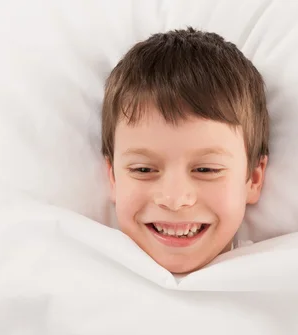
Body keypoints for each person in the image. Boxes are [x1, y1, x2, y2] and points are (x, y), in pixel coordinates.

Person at [101, 27, 269, 274]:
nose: (174, 200)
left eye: (206, 169)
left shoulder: (281, 281)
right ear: (113, 178)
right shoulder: (72, 275)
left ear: (253, 179)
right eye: (143, 169)